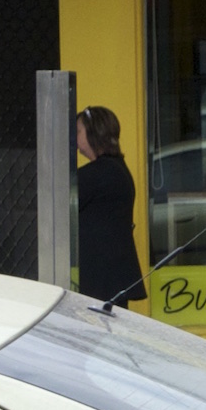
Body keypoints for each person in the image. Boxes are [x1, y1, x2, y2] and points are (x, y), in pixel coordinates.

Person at [73, 104, 145, 304]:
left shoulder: (97, 174)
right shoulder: (117, 169)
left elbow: (62, 205)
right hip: (112, 276)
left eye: (79, 131)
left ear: (93, 134)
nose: (74, 137)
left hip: (100, 278)